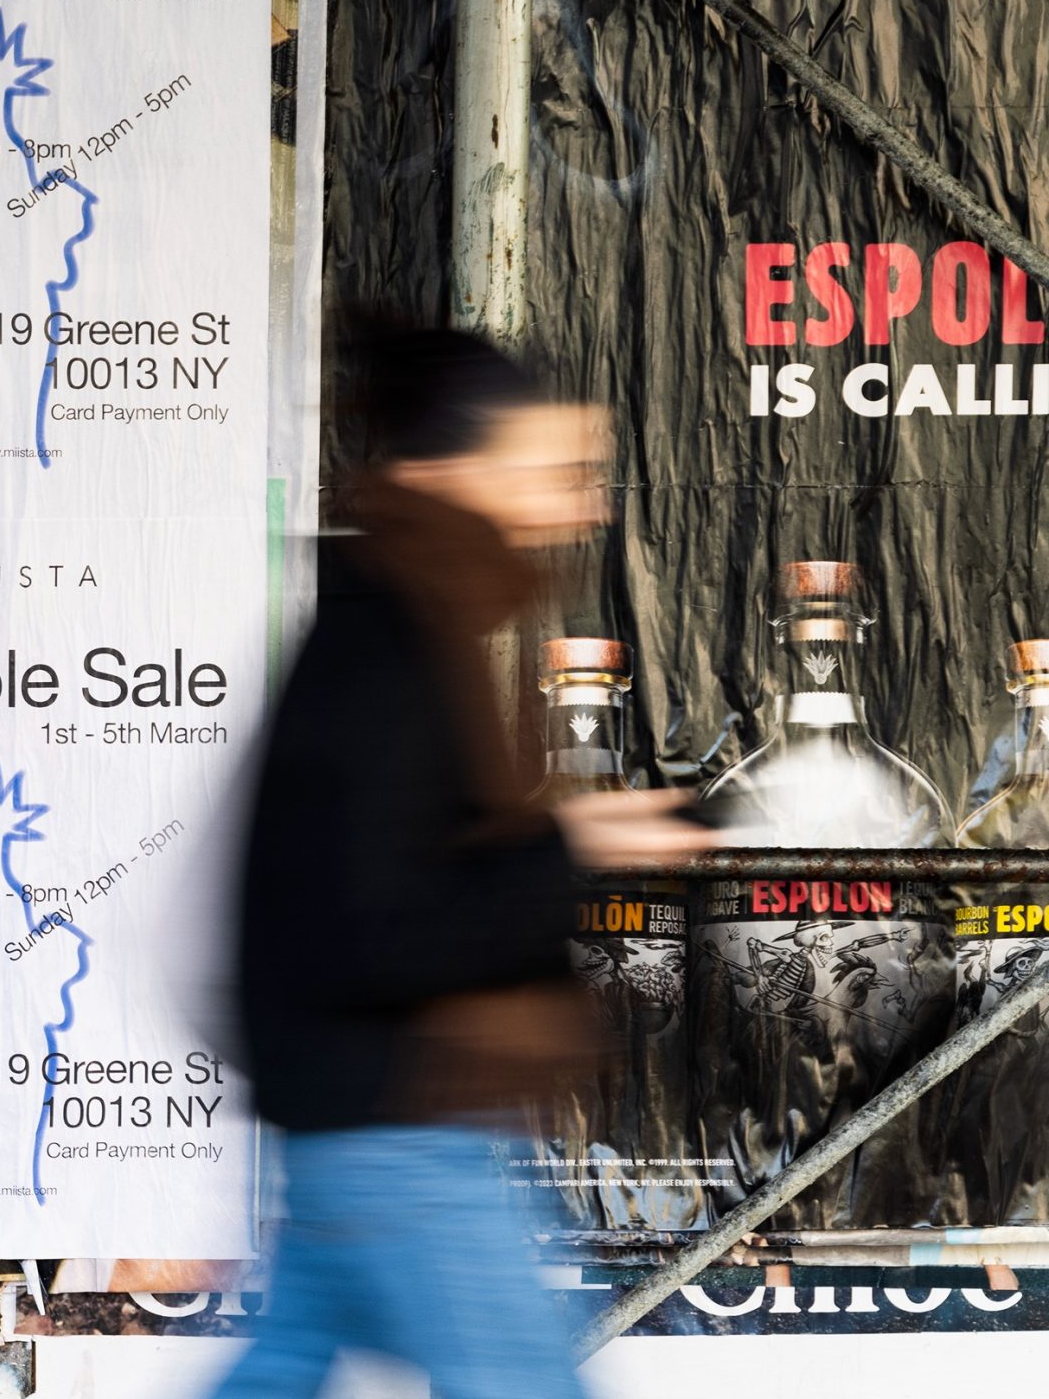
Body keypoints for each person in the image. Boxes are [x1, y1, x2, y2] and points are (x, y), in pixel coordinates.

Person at [210, 329, 706, 1399]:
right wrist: (573, 845)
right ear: (451, 471)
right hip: (398, 1127)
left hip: (356, 1118)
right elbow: (379, 928)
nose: (590, 507)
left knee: (277, 1374)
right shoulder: (391, 646)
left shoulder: (394, 621)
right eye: (558, 473)